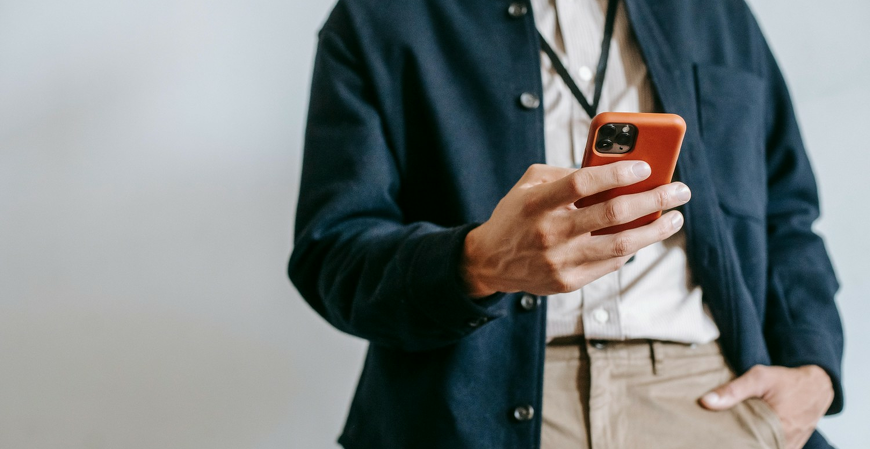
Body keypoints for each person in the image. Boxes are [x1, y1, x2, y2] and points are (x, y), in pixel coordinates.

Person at [288, 0, 844, 447]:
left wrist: (815, 370)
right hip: (471, 409)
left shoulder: (718, 12)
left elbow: (787, 215)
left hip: (707, 398)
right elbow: (331, 254)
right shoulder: (376, 17)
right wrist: (476, 261)